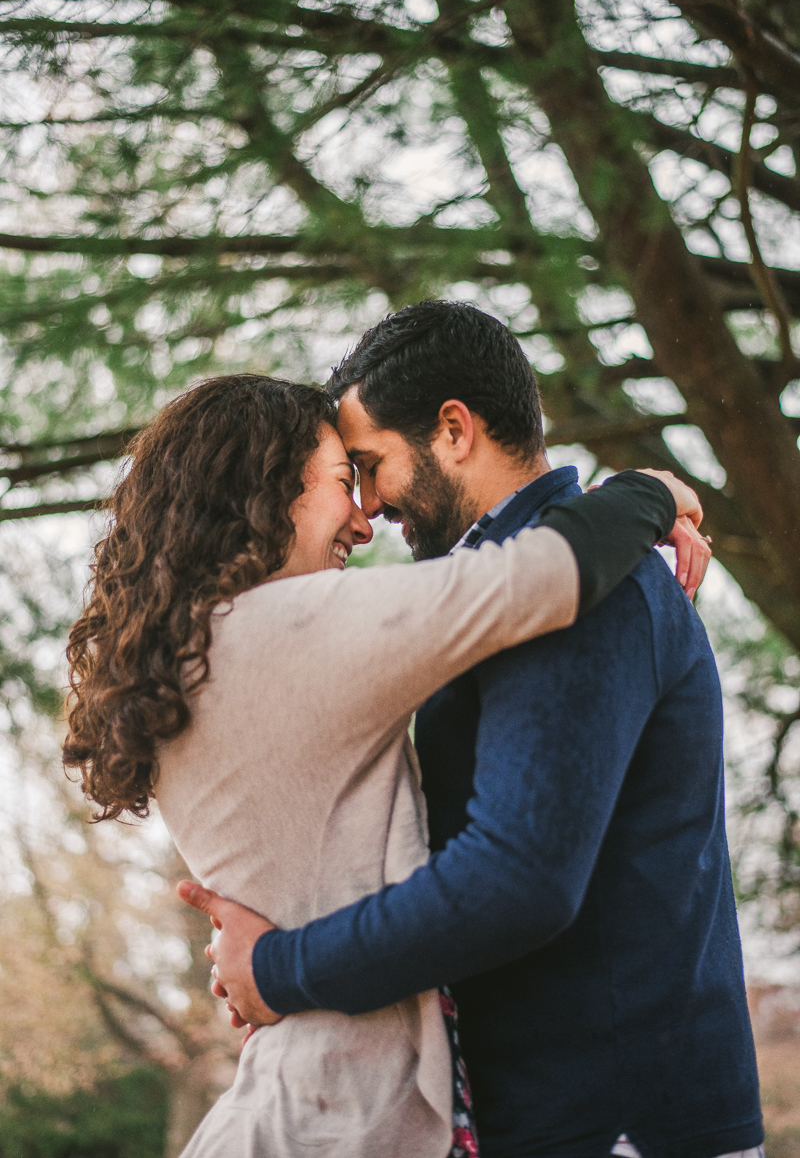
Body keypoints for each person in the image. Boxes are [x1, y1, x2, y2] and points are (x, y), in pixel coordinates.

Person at [63, 371, 702, 1158]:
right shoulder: (288, 630)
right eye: (342, 481)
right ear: (265, 490)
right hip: (339, 1125)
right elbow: (541, 575)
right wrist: (650, 491)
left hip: (295, 1110)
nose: (364, 522)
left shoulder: (187, 656)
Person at [188, 303, 762, 1158]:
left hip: (618, 1124)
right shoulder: (504, 593)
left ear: (454, 429)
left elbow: (519, 878)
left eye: (373, 466)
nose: (371, 507)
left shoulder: (577, 597)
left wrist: (279, 969)